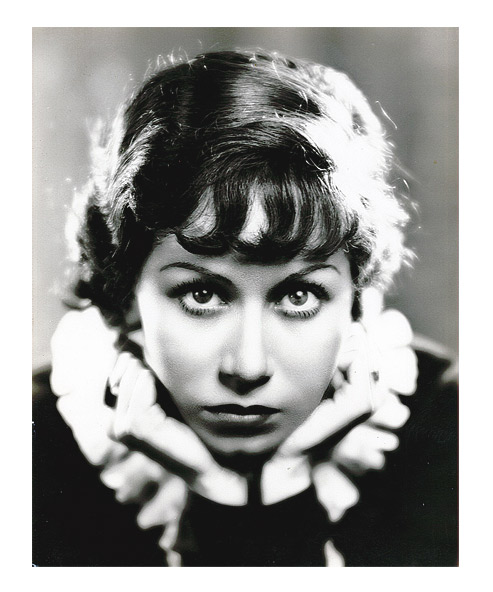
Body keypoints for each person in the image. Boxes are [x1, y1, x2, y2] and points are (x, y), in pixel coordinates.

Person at [32, 49, 457, 567]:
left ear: (357, 303)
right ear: (126, 298)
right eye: (202, 295)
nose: (248, 368)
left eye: (298, 296)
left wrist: (275, 498)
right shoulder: (27, 448)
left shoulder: (458, 429)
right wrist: (221, 499)